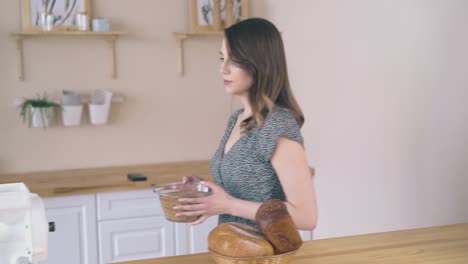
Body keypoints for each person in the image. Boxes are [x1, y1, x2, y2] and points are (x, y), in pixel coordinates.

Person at [174, 18, 318, 231]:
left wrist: (228, 205)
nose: (223, 69)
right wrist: (203, 190)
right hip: (231, 250)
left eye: (235, 60)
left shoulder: (278, 125)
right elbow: (244, 191)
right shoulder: (237, 119)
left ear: (260, 64)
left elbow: (306, 217)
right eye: (222, 58)